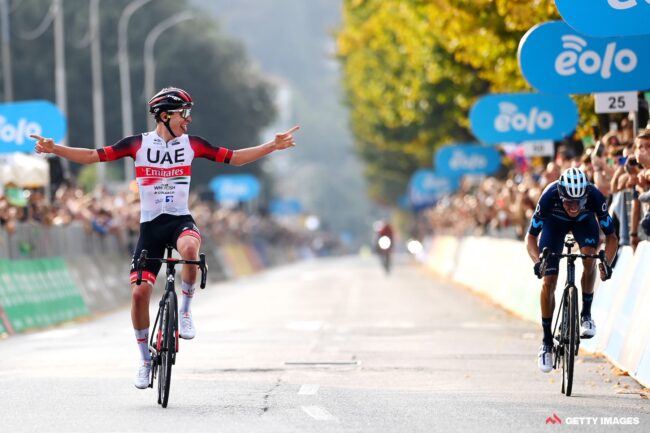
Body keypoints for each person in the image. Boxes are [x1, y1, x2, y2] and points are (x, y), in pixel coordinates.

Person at [31, 87, 299, 389]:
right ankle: (145, 361)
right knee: (139, 294)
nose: (188, 119)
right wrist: (56, 149)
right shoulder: (137, 144)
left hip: (179, 220)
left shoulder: (193, 144)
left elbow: (234, 158)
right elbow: (94, 156)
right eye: (183, 113)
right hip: (150, 228)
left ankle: (184, 312)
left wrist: (271, 147)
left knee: (189, 248)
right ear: (164, 115)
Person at [525, 167, 618, 373]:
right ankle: (547, 342)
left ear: (585, 196)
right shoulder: (549, 195)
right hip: (554, 226)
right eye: (568, 202)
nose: (574, 207)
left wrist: (607, 263)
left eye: (579, 202)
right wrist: (537, 261)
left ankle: (585, 314)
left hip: (584, 225)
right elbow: (530, 237)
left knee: (589, 256)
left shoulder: (594, 195)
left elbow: (612, 237)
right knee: (549, 280)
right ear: (561, 195)